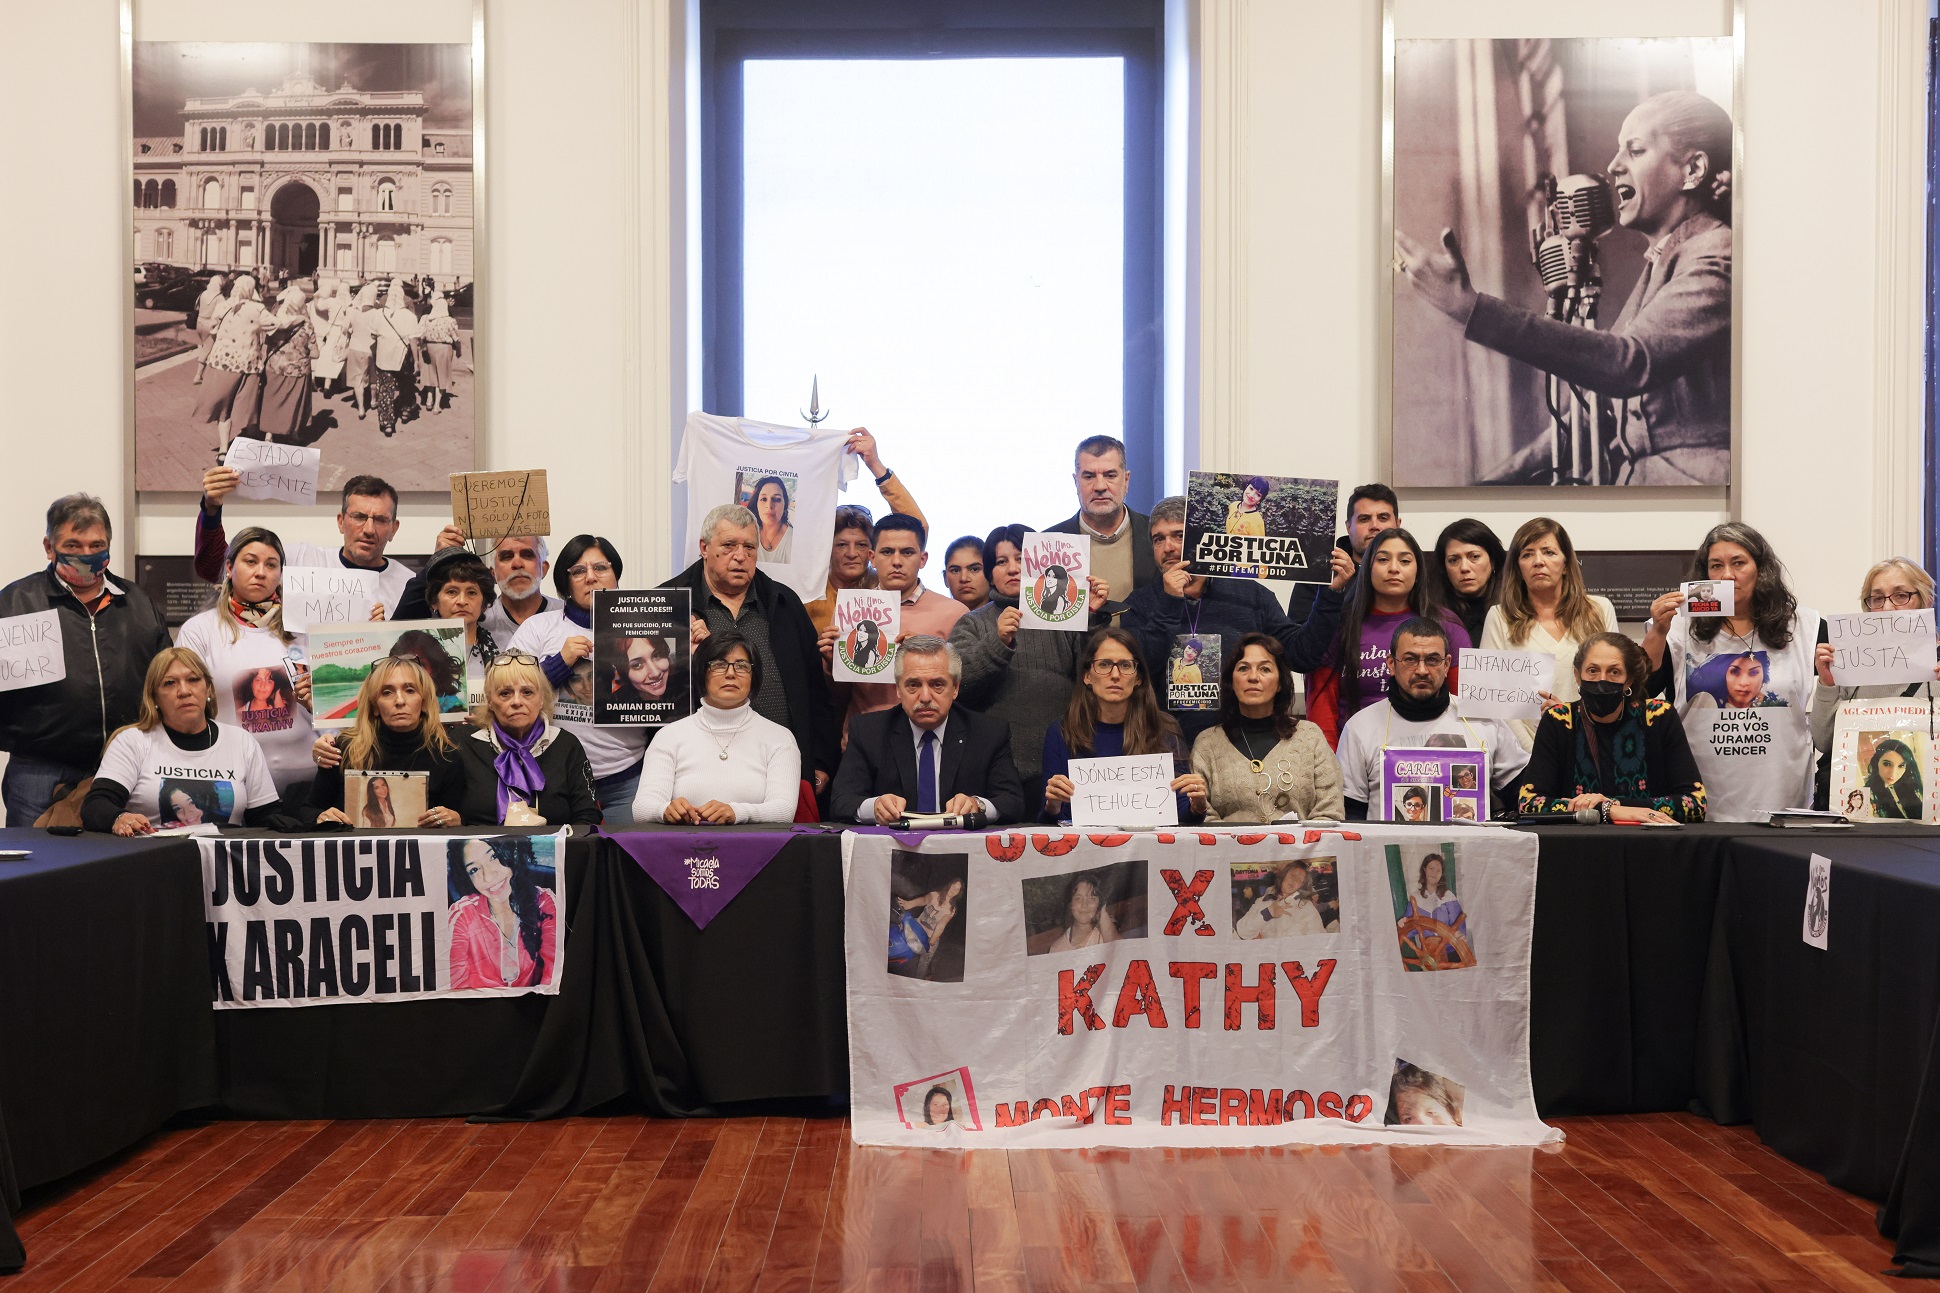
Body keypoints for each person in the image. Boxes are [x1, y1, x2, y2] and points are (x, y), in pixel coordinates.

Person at [1396, 91, 1733, 485]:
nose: (1613, 166)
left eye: (1635, 151)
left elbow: (1629, 363)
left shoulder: (1718, 254)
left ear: (1693, 169)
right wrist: (1492, 486)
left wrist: (1473, 310)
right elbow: (1598, 411)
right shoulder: (1664, 260)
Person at [0, 495, 173, 826]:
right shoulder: (14, 604)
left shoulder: (137, 603)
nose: (85, 555)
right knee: (37, 872)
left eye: (97, 545)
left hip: (126, 765)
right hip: (40, 769)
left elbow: (165, 676)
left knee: (116, 871)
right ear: (49, 547)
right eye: (73, 545)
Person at [1126, 495, 1350, 745]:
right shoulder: (1139, 604)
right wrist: (1169, 602)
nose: (1168, 547)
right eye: (1159, 539)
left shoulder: (1250, 595)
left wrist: (1330, 595)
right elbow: (1135, 671)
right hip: (1163, 747)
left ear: (1201, 538)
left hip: (1239, 748)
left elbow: (1301, 654)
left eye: (1179, 535)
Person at [1644, 523, 1819, 822]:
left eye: (1738, 563)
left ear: (1760, 569)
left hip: (1782, 800)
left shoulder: (1807, 626)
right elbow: (1641, 690)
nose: (1727, 575)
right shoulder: (1678, 628)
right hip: (1701, 797)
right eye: (1716, 566)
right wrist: (1658, 630)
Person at [667, 504, 837, 799]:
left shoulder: (785, 602)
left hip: (780, 768)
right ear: (704, 547)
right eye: (729, 545)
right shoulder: (669, 603)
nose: (740, 556)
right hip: (699, 770)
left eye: (749, 547)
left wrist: (821, 761)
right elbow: (648, 690)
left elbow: (814, 690)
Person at [950, 523, 1108, 798]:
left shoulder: (1064, 616)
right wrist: (997, 642)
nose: (1013, 569)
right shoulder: (972, 623)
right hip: (993, 767)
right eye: (1001, 562)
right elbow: (955, 685)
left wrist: (1089, 616)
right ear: (989, 572)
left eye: (1021, 559)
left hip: (1063, 761)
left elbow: (1097, 677)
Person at [507, 535, 646, 826]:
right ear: (566, 581)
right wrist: (559, 663)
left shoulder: (646, 625)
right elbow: (508, 693)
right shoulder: (539, 627)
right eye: (579, 571)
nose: (591, 577)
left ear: (616, 575)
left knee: (627, 864)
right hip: (555, 779)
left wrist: (689, 651)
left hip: (628, 778)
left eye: (601, 568)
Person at [1336, 618, 1527, 820]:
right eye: (1410, 659)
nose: (1422, 670)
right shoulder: (1359, 728)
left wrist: (1554, 728)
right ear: (1391, 664)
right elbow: (1350, 814)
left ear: (1446, 665)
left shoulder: (1483, 720)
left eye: (1433, 660)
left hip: (1473, 850)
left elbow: (1525, 793)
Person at [175, 527, 317, 797]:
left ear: (280, 574)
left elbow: (336, 708)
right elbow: (182, 707)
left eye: (271, 565)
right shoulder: (200, 631)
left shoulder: (303, 629)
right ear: (230, 568)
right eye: (250, 561)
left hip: (307, 784)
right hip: (231, 783)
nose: (261, 572)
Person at [830, 636, 1028, 825]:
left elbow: (1013, 802)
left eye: (937, 684)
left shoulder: (988, 733)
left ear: (955, 688)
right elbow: (841, 801)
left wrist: (978, 805)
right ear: (898, 689)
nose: (925, 697)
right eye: (913, 685)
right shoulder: (868, 732)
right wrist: (874, 807)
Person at [1304, 527, 1472, 749]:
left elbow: (1467, 709)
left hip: (1434, 755)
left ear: (1418, 570)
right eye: (1383, 559)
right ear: (1367, 569)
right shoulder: (1338, 624)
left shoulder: (1447, 626)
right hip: (1357, 754)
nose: (1394, 568)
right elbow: (1322, 706)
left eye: (1405, 561)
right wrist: (1331, 768)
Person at [82, 648, 282, 833]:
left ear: (209, 690)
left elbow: (266, 818)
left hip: (225, 863)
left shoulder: (241, 742)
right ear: (154, 698)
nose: (184, 691)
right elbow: (96, 805)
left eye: (193, 680)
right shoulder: (132, 741)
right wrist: (120, 818)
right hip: (151, 860)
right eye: (170, 683)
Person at [1517, 632, 1705, 823]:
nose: (1602, 680)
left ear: (1629, 680)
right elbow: (1529, 804)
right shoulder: (1559, 719)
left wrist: (1611, 806)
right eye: (1592, 670)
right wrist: (1609, 810)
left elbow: (1695, 803)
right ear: (1578, 675)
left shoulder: (1659, 716)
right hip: (1578, 844)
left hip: (1649, 843)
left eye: (1614, 672)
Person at [634, 631, 801, 824]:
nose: (731, 673)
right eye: (719, 665)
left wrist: (737, 812)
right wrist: (664, 810)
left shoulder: (779, 738)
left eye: (741, 666)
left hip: (757, 849)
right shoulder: (669, 736)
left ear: (753, 676)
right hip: (684, 848)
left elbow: (784, 811)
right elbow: (641, 809)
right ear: (701, 673)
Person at [1040, 628, 1207, 823]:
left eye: (1125, 665)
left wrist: (1197, 806)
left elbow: (1181, 812)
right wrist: (1052, 805)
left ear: (1138, 678)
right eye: (1104, 664)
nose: (1115, 675)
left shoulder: (1164, 728)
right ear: (1087, 676)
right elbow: (1049, 821)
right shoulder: (1061, 731)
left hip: (1151, 848)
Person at [1481, 519, 1620, 747]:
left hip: (1593, 743)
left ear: (1566, 564)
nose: (1538, 562)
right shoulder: (1499, 617)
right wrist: (1532, 751)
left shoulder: (1599, 610)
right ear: (1518, 568)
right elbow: (1494, 701)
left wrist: (1577, 729)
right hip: (1522, 755)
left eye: (1548, 552)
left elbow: (1614, 683)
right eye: (1527, 554)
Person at [194, 472, 415, 614]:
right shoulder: (300, 559)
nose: (368, 529)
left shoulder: (409, 585)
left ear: (393, 529)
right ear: (341, 522)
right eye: (358, 517)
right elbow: (217, 568)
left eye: (380, 520)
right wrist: (211, 509)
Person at [820, 514, 967, 724]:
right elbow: (838, 697)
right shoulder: (849, 610)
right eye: (887, 552)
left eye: (907, 552)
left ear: (923, 559)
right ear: (872, 557)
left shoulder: (954, 613)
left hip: (929, 738)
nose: (896, 561)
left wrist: (927, 654)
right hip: (864, 738)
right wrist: (832, 665)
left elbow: (966, 689)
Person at [1811, 559, 1940, 789]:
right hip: (1856, 799)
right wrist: (1827, 684)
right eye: (1877, 599)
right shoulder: (1851, 661)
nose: (1887, 608)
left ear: (1925, 600)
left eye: (1901, 596)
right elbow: (1824, 741)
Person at [1190, 633, 1344, 823]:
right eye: (1244, 668)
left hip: (1302, 852)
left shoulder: (1310, 738)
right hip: (1231, 852)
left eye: (1265, 669)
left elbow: (1330, 811)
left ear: (1280, 683)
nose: (1253, 677)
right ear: (1232, 680)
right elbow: (1204, 818)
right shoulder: (1207, 744)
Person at [305, 656, 464, 828]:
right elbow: (307, 810)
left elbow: (462, 820)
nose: (400, 701)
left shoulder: (446, 755)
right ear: (374, 706)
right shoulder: (345, 748)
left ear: (424, 701)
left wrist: (456, 820)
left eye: (410, 690)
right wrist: (320, 817)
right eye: (387, 692)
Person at [454, 652, 601, 828]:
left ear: (541, 699)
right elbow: (447, 813)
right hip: (480, 852)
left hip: (554, 850)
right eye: (505, 693)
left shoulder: (566, 745)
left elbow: (587, 817)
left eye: (527, 692)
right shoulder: (462, 743)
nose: (517, 701)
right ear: (490, 701)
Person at [801, 429, 928, 633]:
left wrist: (876, 466)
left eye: (861, 545)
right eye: (842, 545)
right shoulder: (810, 592)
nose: (852, 554)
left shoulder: (885, 586)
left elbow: (917, 528)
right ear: (827, 549)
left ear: (872, 552)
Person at [1043, 434, 1153, 604]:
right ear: (1075, 481)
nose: (1100, 486)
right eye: (1089, 476)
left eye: (1110, 475)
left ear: (1126, 480)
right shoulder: (1047, 544)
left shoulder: (1156, 536)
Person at [448, 836, 558, 990]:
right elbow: (454, 984)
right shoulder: (462, 914)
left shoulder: (544, 902)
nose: (489, 876)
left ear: (511, 854)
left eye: (494, 857)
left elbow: (554, 973)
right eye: (474, 870)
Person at [1288, 483, 1402, 625]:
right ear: (1348, 527)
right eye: (1364, 519)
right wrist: (1332, 594)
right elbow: (1299, 637)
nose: (1374, 526)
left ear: (1398, 524)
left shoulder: (1416, 570)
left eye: (1383, 518)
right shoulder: (1319, 570)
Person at [190, 274, 272, 454]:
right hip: (248, 364)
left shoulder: (222, 306)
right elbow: (275, 325)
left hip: (222, 362)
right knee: (246, 404)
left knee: (223, 410)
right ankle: (252, 436)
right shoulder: (258, 309)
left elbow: (213, 329)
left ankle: (223, 449)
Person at [251, 285, 317, 443]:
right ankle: (293, 433)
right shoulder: (306, 324)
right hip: (298, 369)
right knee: (295, 402)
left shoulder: (274, 323)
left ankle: (269, 434)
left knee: (271, 400)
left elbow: (265, 343)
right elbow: (315, 353)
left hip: (274, 367)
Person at [1431, 519, 1506, 646]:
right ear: (1444, 568)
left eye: (1474, 557)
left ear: (1493, 561)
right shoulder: (1432, 614)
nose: (1464, 567)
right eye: (1453, 560)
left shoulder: (1513, 610)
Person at [369, 280, 423, 438]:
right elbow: (414, 341)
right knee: (406, 385)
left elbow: (373, 335)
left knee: (385, 390)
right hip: (403, 359)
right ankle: (405, 412)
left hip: (384, 358)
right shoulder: (409, 316)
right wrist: (417, 361)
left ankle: (387, 423)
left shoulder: (379, 314)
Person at [1400, 853, 1472, 965]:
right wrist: (1403, 923)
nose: (1434, 873)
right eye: (1431, 868)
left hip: (1451, 951)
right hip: (1428, 954)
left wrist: (1460, 934)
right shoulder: (1415, 898)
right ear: (1424, 870)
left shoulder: (1448, 897)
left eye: (1438, 870)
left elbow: (1459, 924)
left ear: (1441, 874)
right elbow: (1410, 930)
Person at [1234, 859, 1333, 938]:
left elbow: (1318, 939)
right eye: (1292, 875)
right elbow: (1243, 931)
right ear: (1284, 874)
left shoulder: (1305, 906)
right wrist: (1268, 913)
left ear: (1301, 886)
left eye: (1299, 880)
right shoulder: (1263, 901)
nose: (1294, 881)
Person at [1046, 872, 1118, 951]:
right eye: (1078, 898)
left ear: (1100, 904)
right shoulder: (1057, 949)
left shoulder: (1105, 934)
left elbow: (1121, 953)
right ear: (1070, 903)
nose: (1084, 905)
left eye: (1092, 898)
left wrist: (1103, 913)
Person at [418, 295, 461, 414]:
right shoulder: (450, 321)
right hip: (444, 348)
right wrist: (459, 351)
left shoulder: (427, 319)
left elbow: (420, 335)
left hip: (430, 347)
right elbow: (456, 338)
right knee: (442, 376)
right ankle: (437, 405)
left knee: (431, 374)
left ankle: (429, 399)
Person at [1864, 738, 1923, 820]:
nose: (1893, 773)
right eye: (1887, 764)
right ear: (1876, 762)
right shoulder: (1866, 796)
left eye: (1901, 766)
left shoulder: (1914, 788)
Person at [343, 282, 378, 418]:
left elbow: (344, 329)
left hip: (356, 348)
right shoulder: (377, 313)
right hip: (372, 348)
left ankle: (361, 408)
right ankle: (374, 400)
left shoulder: (352, 312)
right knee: (373, 376)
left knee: (358, 379)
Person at [189, 271, 229, 385]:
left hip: (199, 323)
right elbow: (224, 311)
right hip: (210, 325)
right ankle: (198, 376)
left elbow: (196, 307)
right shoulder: (219, 297)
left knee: (204, 347)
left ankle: (205, 373)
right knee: (207, 349)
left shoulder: (203, 294)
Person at [748, 474, 795, 563]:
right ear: (756, 504)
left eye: (777, 499)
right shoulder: (748, 535)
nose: (769, 506)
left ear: (784, 505)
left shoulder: (794, 539)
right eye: (764, 499)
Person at [942, 536, 991, 611]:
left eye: (974, 569)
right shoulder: (935, 620)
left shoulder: (1010, 617)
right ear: (945, 578)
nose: (964, 578)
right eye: (955, 570)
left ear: (991, 574)